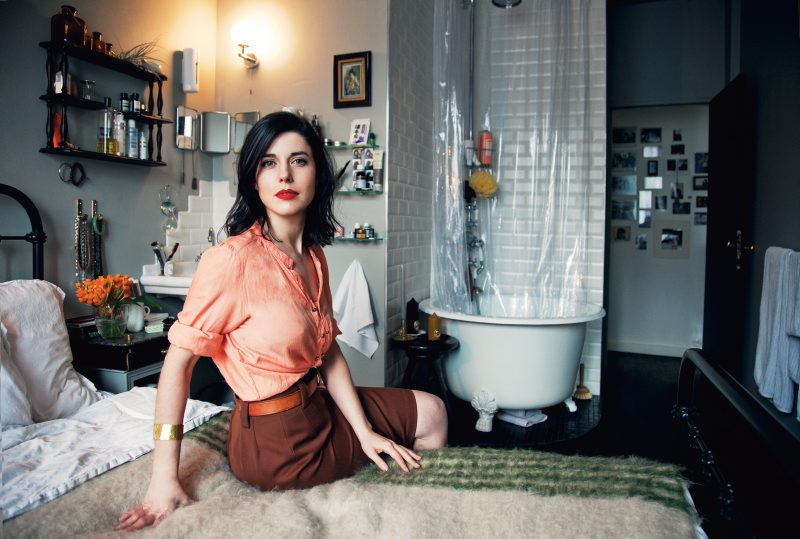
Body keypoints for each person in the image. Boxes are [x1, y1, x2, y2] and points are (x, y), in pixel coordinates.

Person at [116, 111, 447, 530]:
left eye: (299, 161)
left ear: (317, 176)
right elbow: (178, 364)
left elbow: (328, 352)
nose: (285, 175)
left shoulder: (314, 256)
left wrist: (364, 431)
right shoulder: (231, 260)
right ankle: (410, 523)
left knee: (433, 411)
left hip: (319, 407)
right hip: (278, 443)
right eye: (269, 163)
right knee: (430, 416)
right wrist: (163, 481)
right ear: (253, 179)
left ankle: (420, 516)